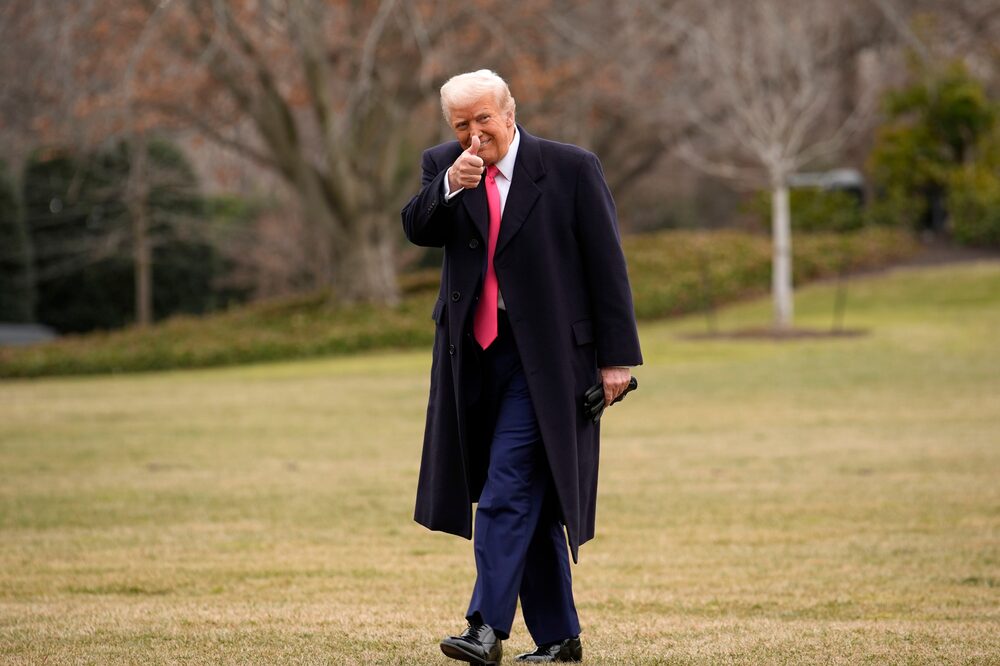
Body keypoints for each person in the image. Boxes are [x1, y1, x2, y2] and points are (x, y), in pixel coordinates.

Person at [401, 69, 643, 665]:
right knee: (522, 496)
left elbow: (607, 266)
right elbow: (417, 228)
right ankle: (561, 638)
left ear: (510, 111)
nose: (474, 133)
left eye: (484, 118)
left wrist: (616, 359)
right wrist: (449, 188)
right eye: (462, 124)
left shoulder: (570, 167)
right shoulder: (445, 165)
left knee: (508, 487)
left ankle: (485, 627)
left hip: (553, 359)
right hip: (475, 357)